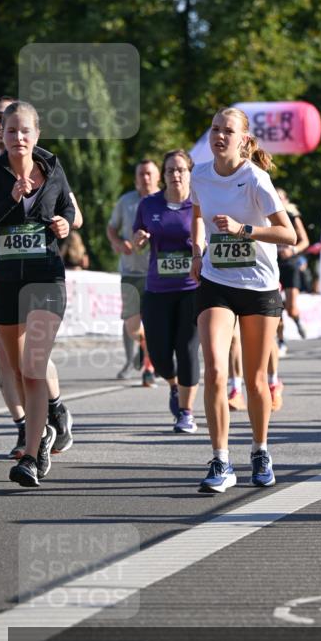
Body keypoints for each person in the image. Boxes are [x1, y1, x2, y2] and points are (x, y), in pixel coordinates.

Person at [190, 107, 296, 493]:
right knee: (216, 371)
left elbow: (289, 235)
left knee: (255, 379)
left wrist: (244, 229)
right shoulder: (200, 174)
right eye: (215, 128)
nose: (219, 136)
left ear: (244, 140)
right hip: (216, 281)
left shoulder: (255, 178)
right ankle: (220, 460)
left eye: (228, 131)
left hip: (258, 286)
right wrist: (197, 252)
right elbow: (197, 215)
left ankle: (260, 450)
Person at [0, 101, 76, 487]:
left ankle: (31, 454)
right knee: (15, 368)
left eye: (25, 131)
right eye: (11, 131)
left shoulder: (53, 170)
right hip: (5, 282)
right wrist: (10, 199)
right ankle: (42, 432)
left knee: (33, 366)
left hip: (46, 280)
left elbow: (69, 209)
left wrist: (64, 224)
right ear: (2, 135)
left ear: (37, 134)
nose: (18, 137)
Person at [133, 150, 200, 433]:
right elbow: (137, 237)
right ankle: (174, 385)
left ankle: (186, 413)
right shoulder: (149, 204)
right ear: (164, 174)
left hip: (191, 289)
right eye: (171, 170)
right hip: (158, 289)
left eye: (181, 169)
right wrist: (138, 239)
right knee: (159, 355)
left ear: (190, 173)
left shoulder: (199, 203)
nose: (176, 175)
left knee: (187, 349)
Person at [107, 159, 160, 384]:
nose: (145, 178)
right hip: (131, 272)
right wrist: (119, 243)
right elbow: (111, 228)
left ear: (158, 176)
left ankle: (150, 362)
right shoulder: (126, 201)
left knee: (157, 321)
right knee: (132, 325)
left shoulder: (165, 200)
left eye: (149, 173)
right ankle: (140, 355)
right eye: (141, 174)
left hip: (158, 273)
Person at [275, 188, 310, 352]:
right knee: (275, 308)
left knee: (291, 308)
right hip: (273, 265)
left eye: (281, 198)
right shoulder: (265, 216)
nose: (278, 201)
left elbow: (305, 241)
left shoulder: (292, 216)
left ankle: (296, 320)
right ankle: (281, 340)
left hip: (290, 265)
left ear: (286, 201)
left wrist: (293, 250)